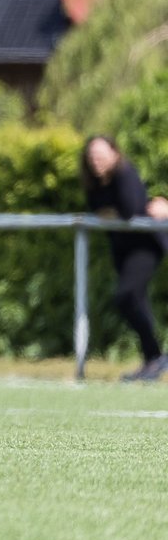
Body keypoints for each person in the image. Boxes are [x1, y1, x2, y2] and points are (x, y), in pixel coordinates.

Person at [81, 135, 168, 382]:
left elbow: (130, 211)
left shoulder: (124, 174)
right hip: (121, 249)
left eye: (101, 156)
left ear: (115, 154)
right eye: (92, 157)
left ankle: (157, 356)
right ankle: (153, 359)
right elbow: (99, 211)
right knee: (135, 301)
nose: (96, 162)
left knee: (125, 296)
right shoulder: (94, 183)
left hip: (144, 245)